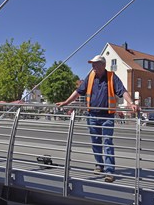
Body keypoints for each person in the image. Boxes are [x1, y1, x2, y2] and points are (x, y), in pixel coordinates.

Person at [56, 55, 139, 183]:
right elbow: (78, 91)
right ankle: (99, 165)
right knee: (95, 142)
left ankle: (110, 171)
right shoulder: (90, 77)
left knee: (107, 142)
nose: (92, 66)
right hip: (92, 116)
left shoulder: (111, 77)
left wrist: (131, 102)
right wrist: (66, 102)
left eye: (95, 64)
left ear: (103, 65)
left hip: (107, 116)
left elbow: (122, 91)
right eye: (92, 64)